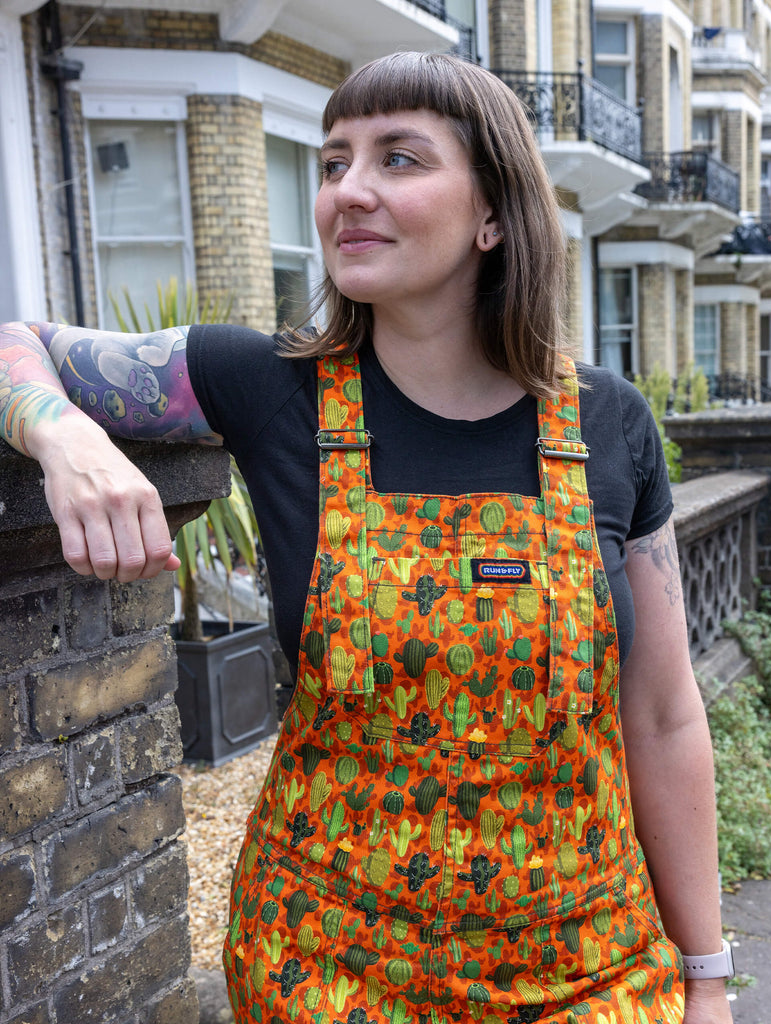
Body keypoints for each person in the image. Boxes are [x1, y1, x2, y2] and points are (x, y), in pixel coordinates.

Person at [0, 51, 732, 1024]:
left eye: (398, 158)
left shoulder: (608, 423)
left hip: (586, 971)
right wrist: (63, 435)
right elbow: (18, 341)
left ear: (494, 215)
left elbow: (666, 716)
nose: (349, 190)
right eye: (334, 160)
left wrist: (708, 973)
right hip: (332, 974)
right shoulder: (271, 390)